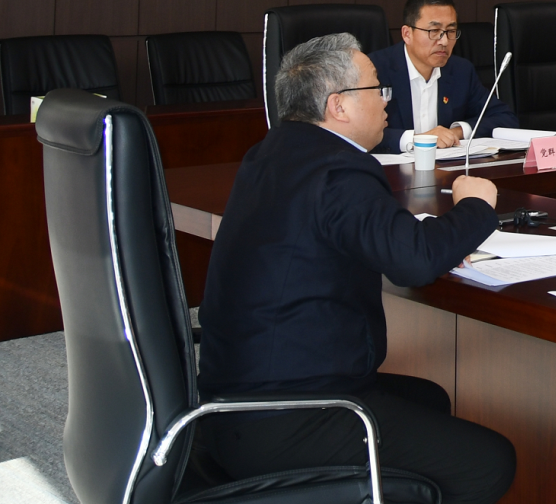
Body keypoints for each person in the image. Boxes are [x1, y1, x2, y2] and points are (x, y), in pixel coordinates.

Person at [196, 34, 515, 504]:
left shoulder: (274, 152)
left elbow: (349, 236)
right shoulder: (339, 168)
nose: (387, 101)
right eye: (377, 89)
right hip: (290, 415)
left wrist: (431, 239)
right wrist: (475, 208)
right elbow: (413, 261)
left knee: (429, 399)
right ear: (338, 106)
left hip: (232, 404)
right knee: (489, 462)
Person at [371, 0, 519, 153]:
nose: (444, 41)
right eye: (434, 31)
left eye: (451, 31)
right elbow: (357, 132)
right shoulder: (373, 71)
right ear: (407, 34)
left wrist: (457, 132)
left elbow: (504, 118)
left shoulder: (461, 71)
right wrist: (417, 139)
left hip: (446, 167)